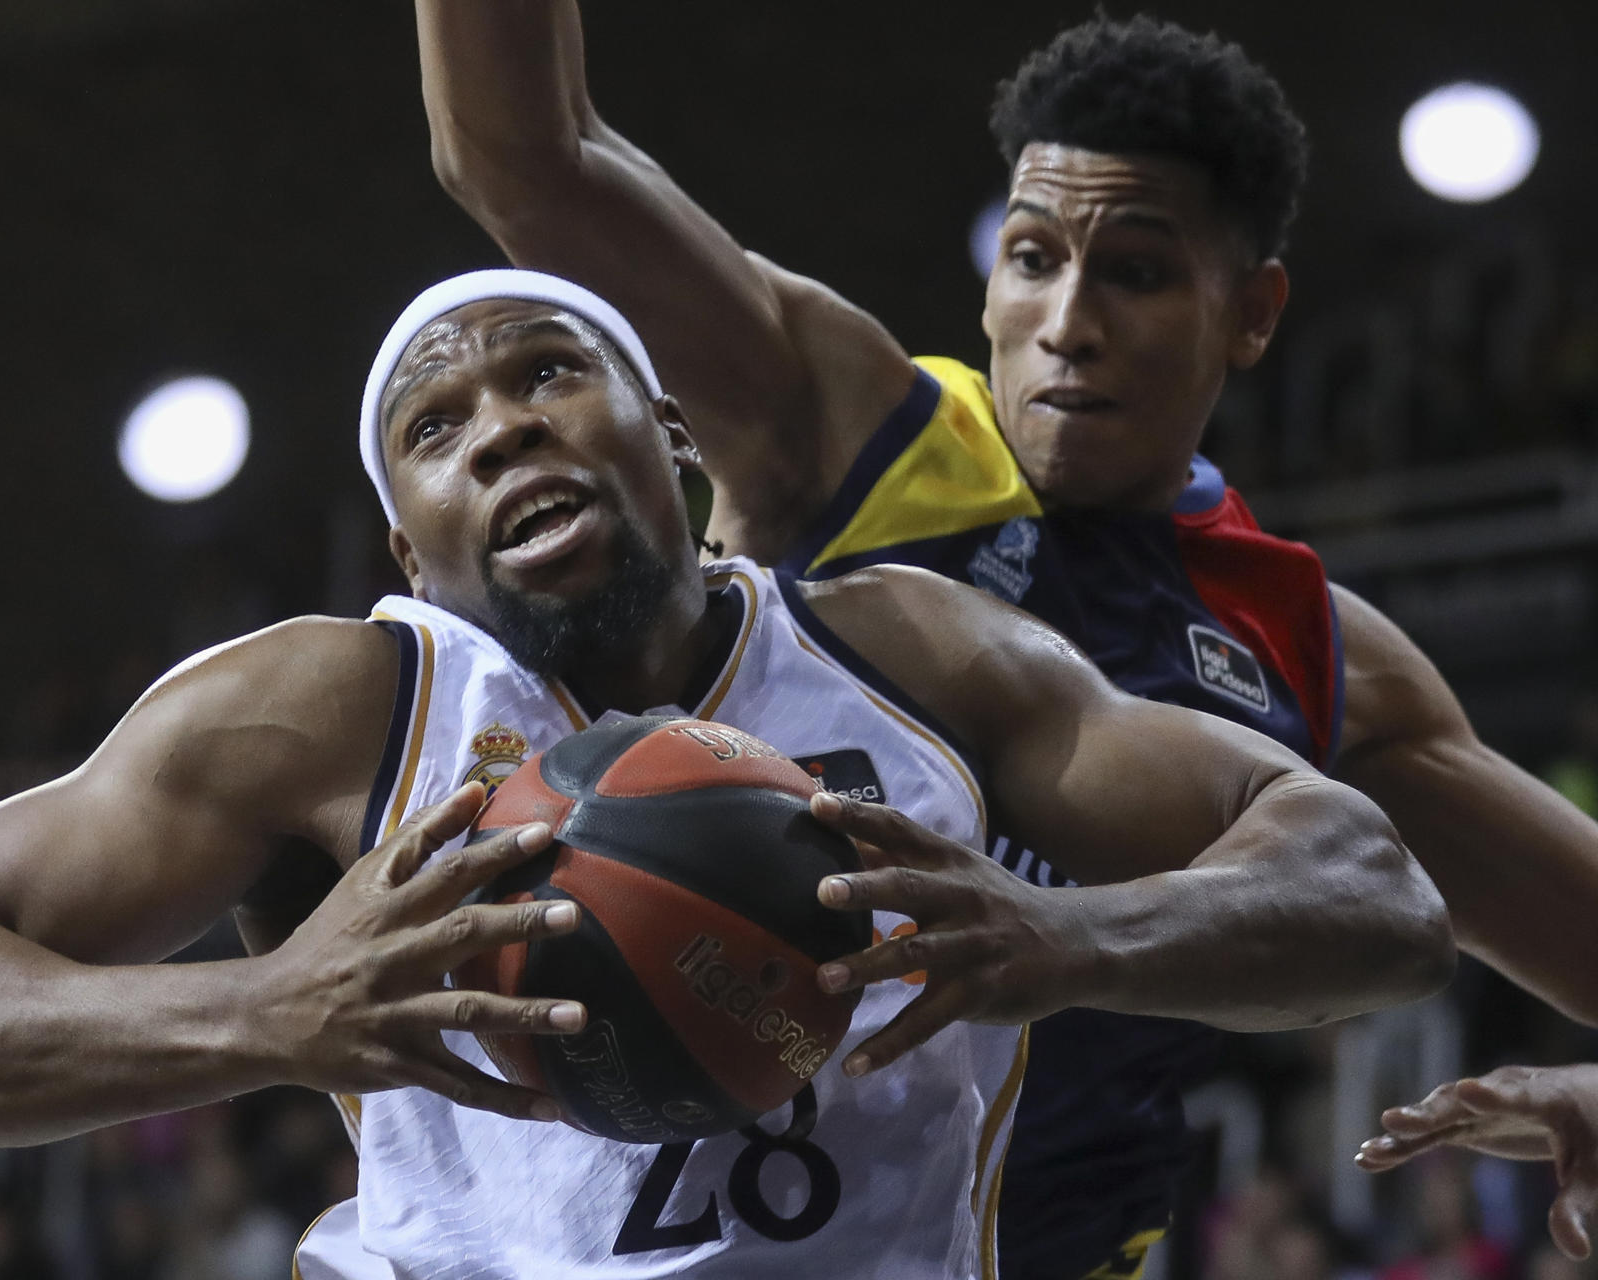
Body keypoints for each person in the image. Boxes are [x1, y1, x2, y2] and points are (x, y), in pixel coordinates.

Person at [0, 272, 1453, 1279]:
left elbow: (1373, 889)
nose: (501, 428)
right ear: (411, 546)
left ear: (671, 441)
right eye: (438, 431)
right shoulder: (329, 707)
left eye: (544, 374)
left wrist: (1077, 944)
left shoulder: (912, 655)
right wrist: (274, 1013)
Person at [414, 7, 1598, 1276]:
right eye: (1032, 257)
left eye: (1134, 271)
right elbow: (528, 160)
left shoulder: (1309, 644)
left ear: (1251, 313)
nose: (1067, 319)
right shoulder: (859, 434)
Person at [1361, 1063, 1598, 1263]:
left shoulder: (1492, 1258)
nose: (1438, 1202)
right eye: (1431, 1194)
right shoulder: (1403, 1268)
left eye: (1445, 1190)